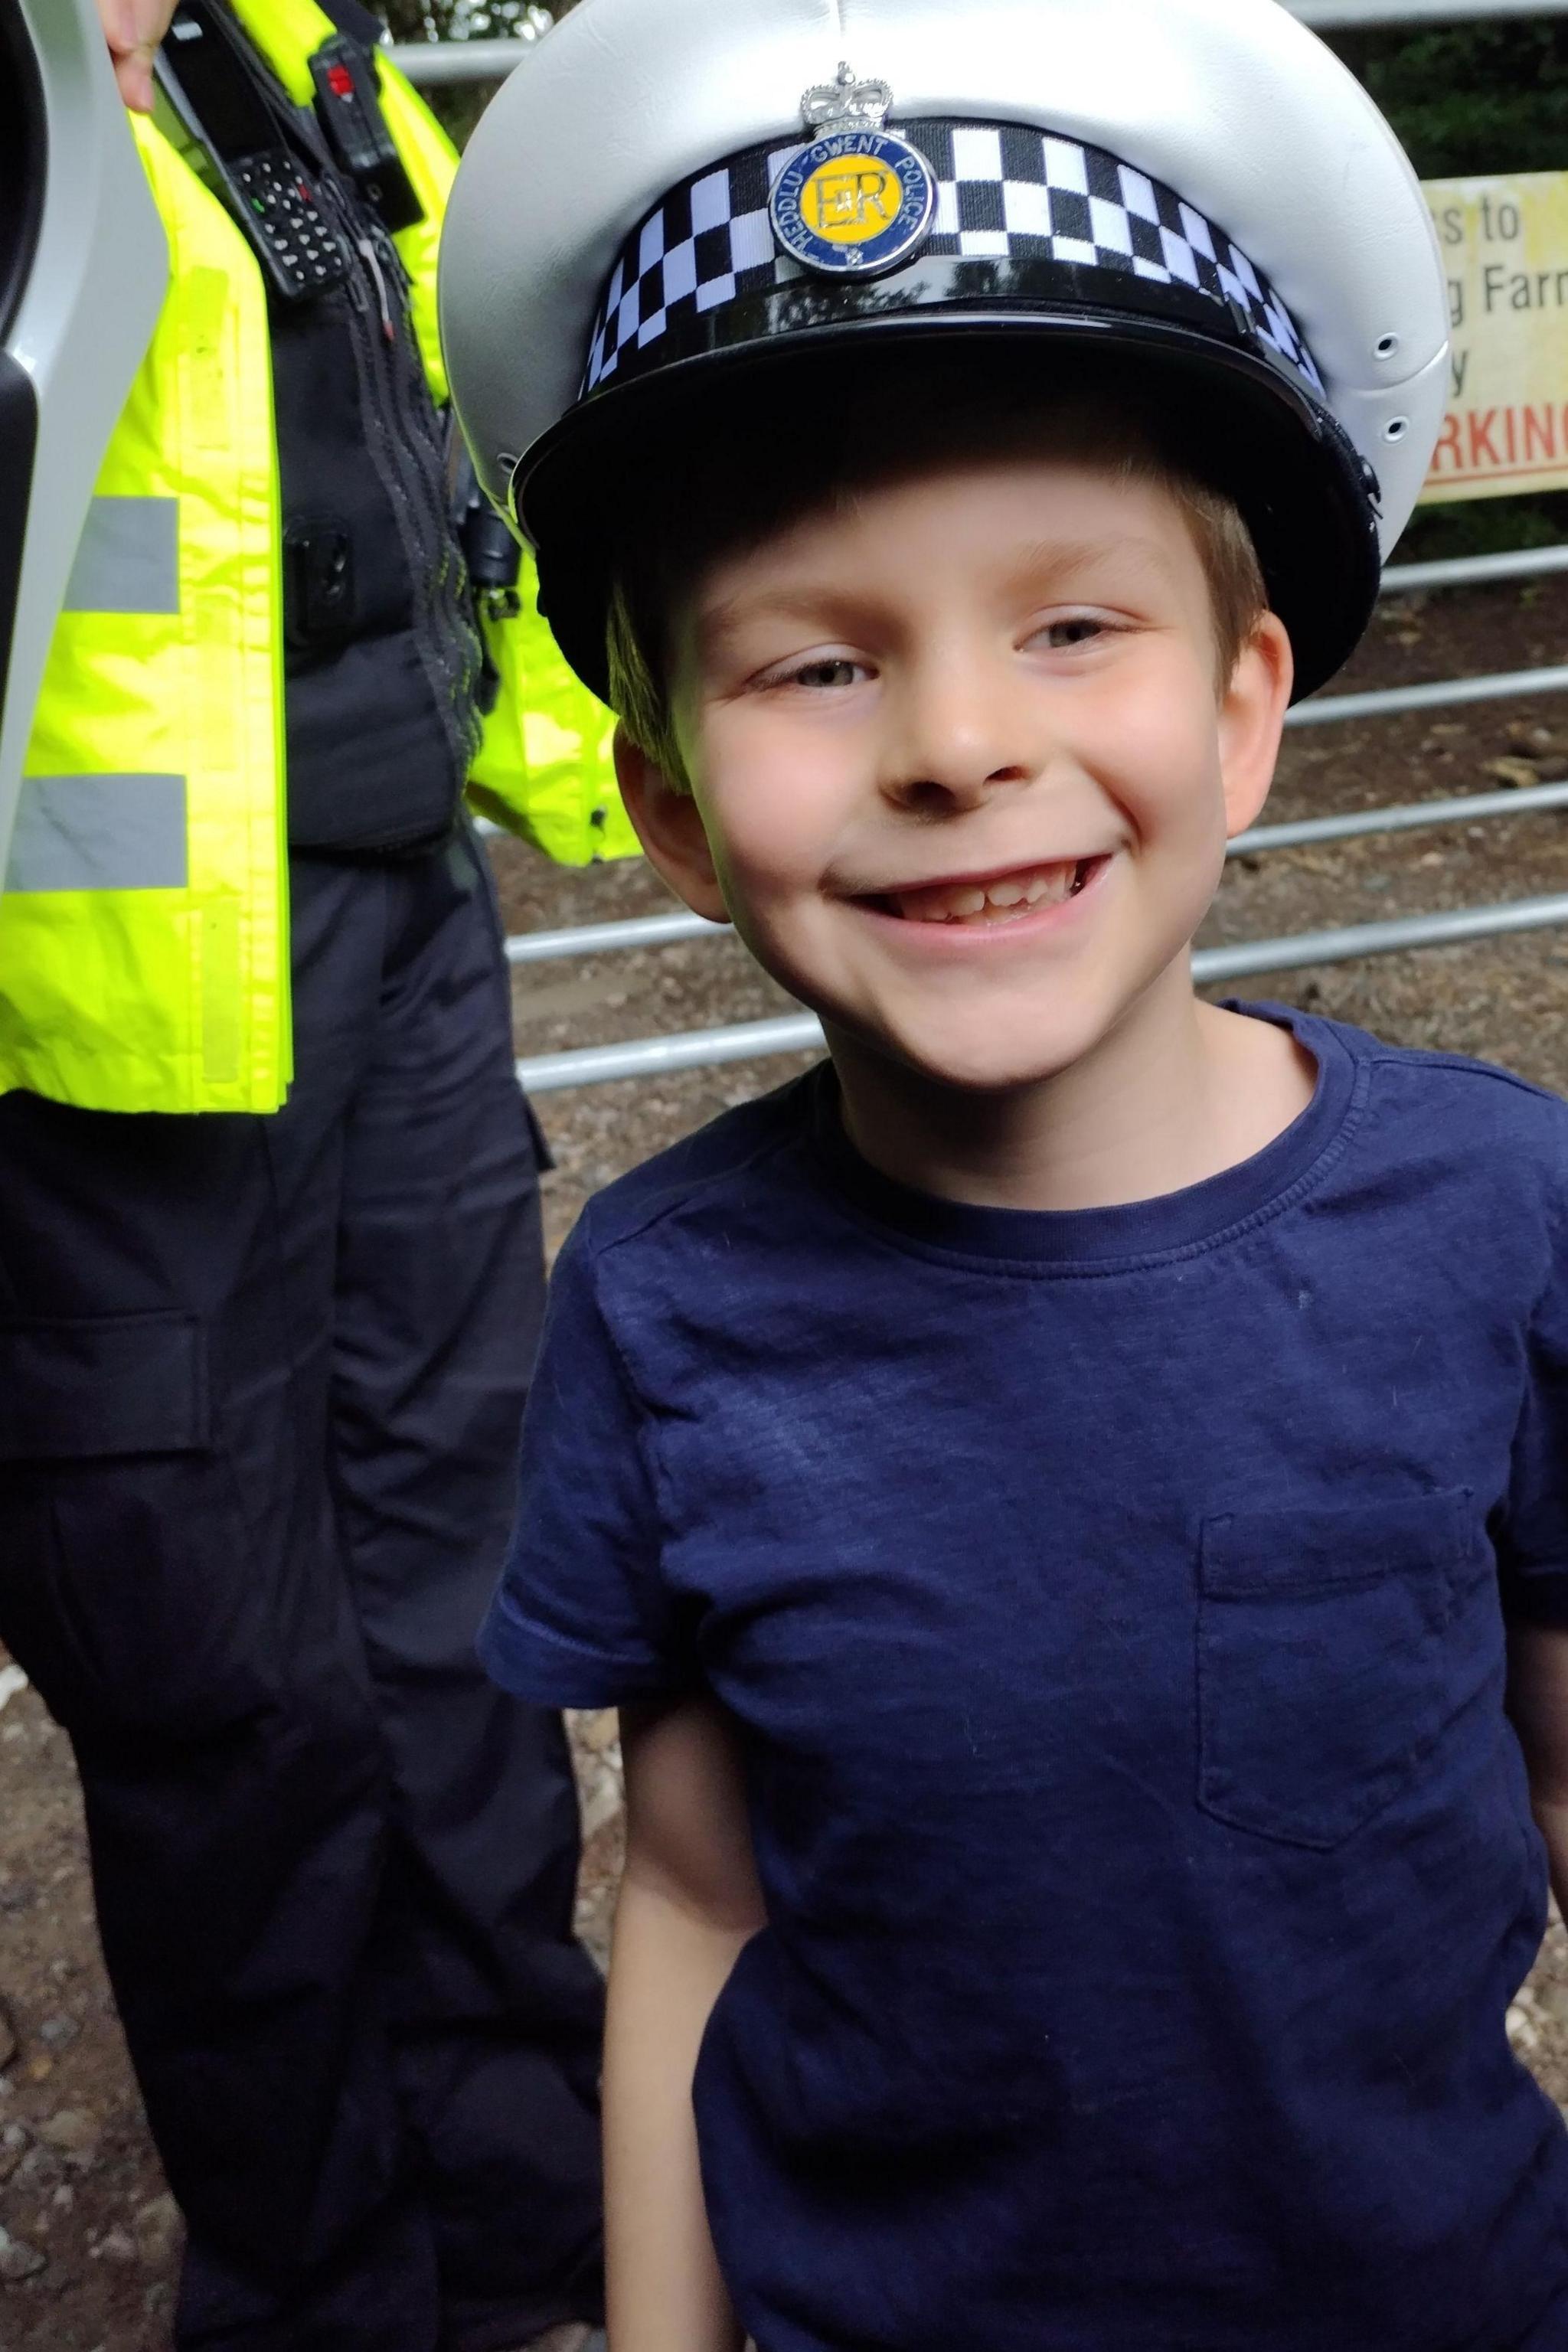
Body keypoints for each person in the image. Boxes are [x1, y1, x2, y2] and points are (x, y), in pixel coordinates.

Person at [440, 0, 1568, 2344]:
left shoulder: (1504, 1219)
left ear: (1245, 705)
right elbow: (694, 1893)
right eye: (813, 668)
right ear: (665, 808)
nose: (963, 744)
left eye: (1073, 626)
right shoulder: (663, 1302)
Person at [0, 2, 630, 2346]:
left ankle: (533, 2228)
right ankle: (321, 2289)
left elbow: (444, 410)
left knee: (468, 1624)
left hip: (396, 918)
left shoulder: (295, 33)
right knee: (229, 1706)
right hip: (99, 1050)